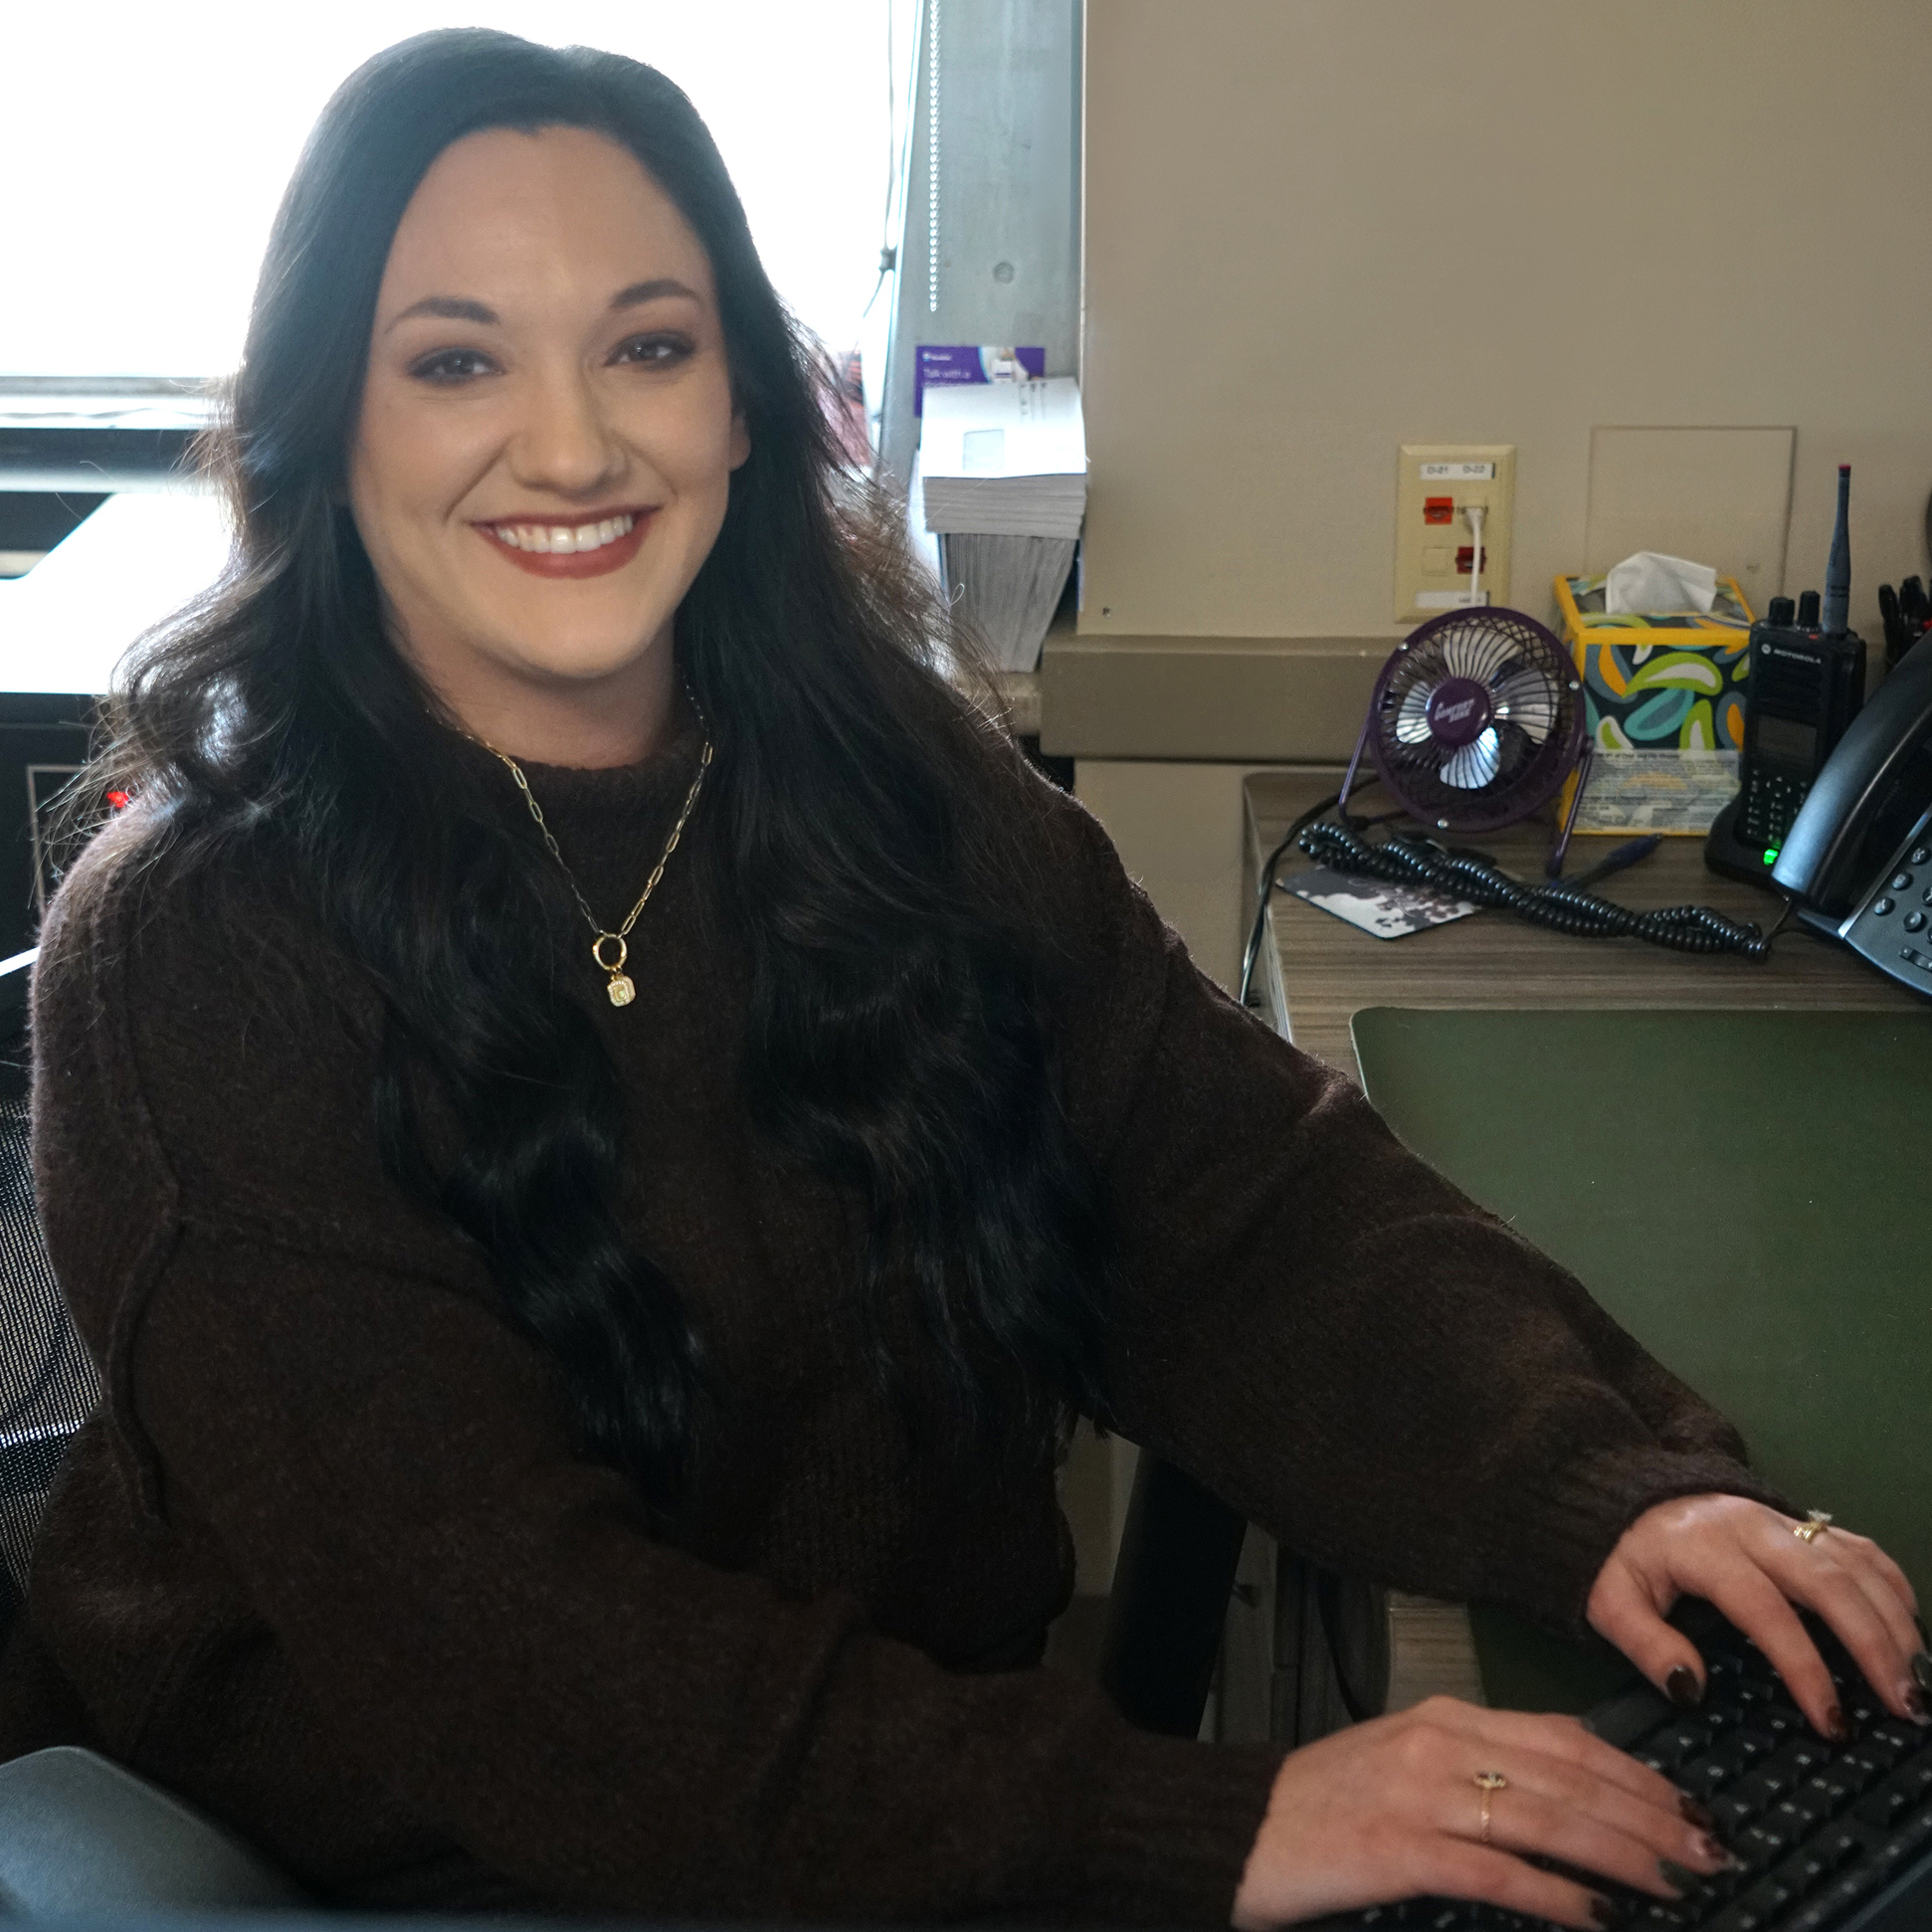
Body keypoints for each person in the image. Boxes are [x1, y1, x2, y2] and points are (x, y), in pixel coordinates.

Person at [1, 29, 1924, 1930]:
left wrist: (1601, 1480)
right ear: (331, 423)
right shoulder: (192, 947)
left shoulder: (884, 781)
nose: (573, 443)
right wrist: (1197, 1823)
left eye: (649, 346)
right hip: (419, 1860)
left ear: (745, 407)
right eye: (453, 361)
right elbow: (509, 1655)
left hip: (891, 1800)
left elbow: (1229, 1198)